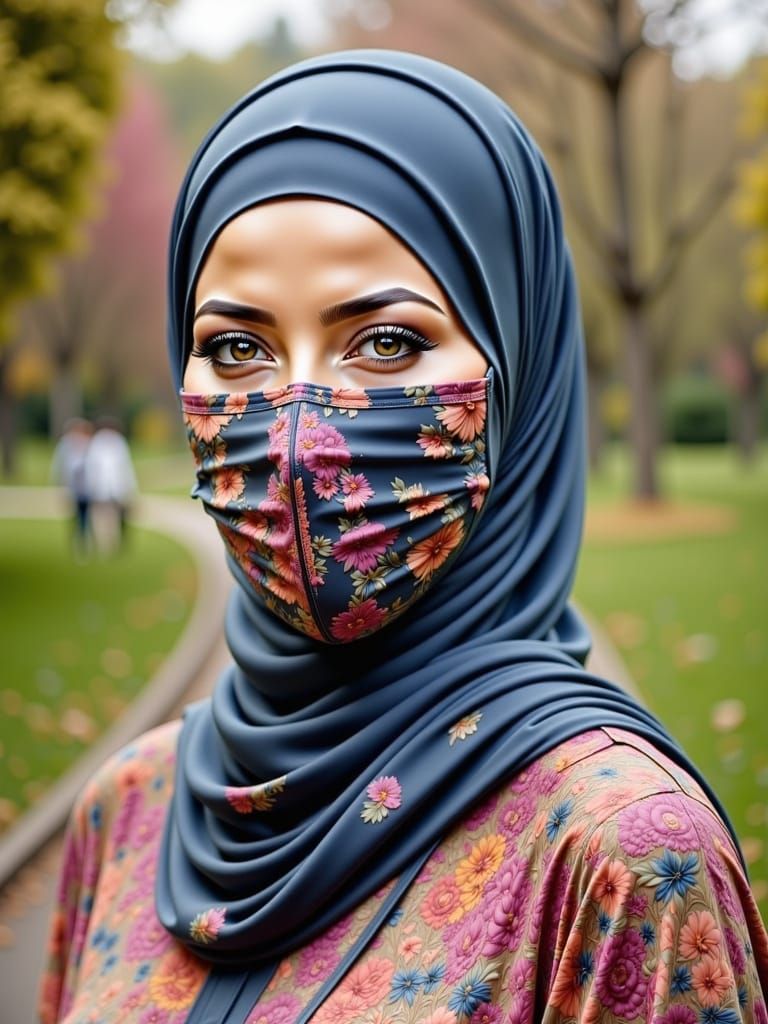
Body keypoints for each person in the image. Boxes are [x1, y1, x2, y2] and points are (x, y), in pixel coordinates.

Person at [39, 51, 768, 1024]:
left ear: (519, 372)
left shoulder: (626, 857)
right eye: (237, 349)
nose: (298, 434)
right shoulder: (125, 809)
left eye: (386, 342)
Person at [84, 417, 138, 553]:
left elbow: (125, 468)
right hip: (101, 490)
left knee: (118, 518)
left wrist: (129, 489)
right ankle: (104, 545)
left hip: (116, 489)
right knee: (101, 519)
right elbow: (92, 469)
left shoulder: (118, 443)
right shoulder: (98, 444)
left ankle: (115, 544)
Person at [51, 418, 94, 556]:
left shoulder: (90, 445)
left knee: (86, 514)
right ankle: (79, 540)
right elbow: (59, 465)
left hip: (88, 486)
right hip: (74, 487)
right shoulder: (66, 445)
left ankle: (85, 539)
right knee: (78, 515)